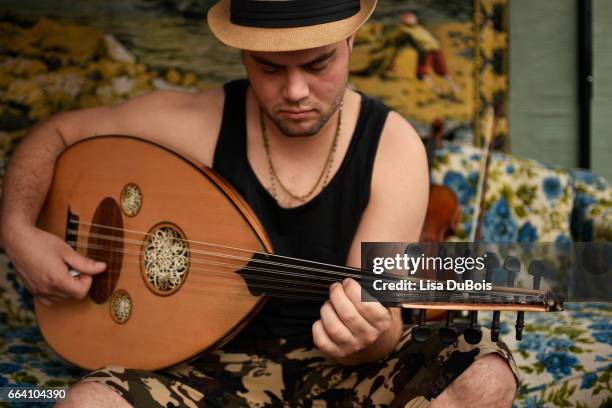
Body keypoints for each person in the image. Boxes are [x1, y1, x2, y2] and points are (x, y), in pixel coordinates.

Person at [0, 0, 517, 406]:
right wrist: (18, 232)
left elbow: (377, 329)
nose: (294, 90)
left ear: (351, 39)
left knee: (486, 376)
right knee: (85, 403)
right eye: (269, 68)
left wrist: (371, 335)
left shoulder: (392, 148)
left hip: (340, 374)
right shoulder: (198, 121)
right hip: (198, 368)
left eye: (318, 64)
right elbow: (56, 133)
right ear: (244, 54)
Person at [386, 12, 460, 96]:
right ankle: (455, 87)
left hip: (426, 50)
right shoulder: (420, 29)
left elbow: (395, 40)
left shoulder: (405, 30)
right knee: (442, 70)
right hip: (437, 48)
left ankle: (436, 90)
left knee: (422, 73)